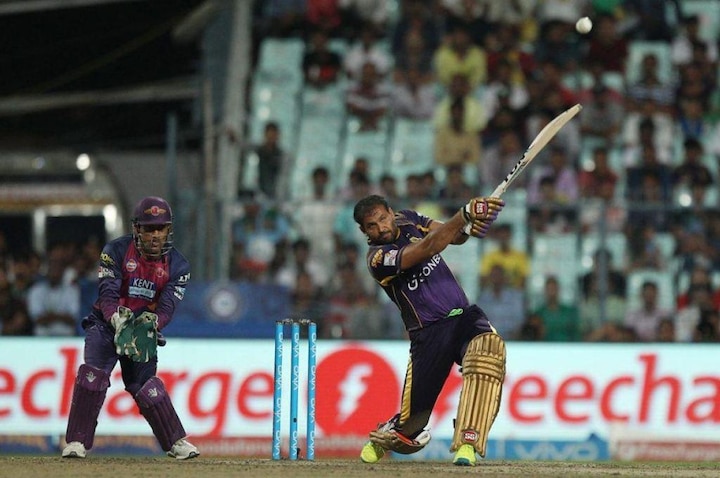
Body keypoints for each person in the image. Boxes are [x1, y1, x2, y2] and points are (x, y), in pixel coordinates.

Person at [353, 193, 506, 466]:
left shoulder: (410, 218)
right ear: (364, 231)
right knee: (412, 426)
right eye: (372, 226)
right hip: (428, 333)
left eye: (382, 219)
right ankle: (390, 434)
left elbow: (454, 237)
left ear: (391, 211)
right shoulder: (377, 258)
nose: (381, 228)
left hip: (463, 318)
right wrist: (464, 214)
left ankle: (467, 443)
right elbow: (428, 248)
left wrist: (470, 225)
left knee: (488, 353)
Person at [62, 196, 199, 460]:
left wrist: (153, 323)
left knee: (146, 386)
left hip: (142, 331)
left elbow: (167, 307)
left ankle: (176, 443)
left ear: (169, 230)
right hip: (106, 325)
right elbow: (108, 295)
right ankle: (76, 442)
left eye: (161, 228)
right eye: (149, 229)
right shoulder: (114, 250)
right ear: (136, 228)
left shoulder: (179, 266)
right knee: (93, 377)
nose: (155, 235)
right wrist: (116, 320)